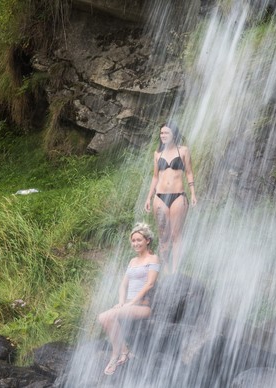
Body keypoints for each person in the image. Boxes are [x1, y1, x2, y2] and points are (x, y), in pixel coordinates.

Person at [98, 223, 160, 376]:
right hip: (129, 304)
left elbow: (150, 284)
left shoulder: (153, 259)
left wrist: (132, 302)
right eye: (133, 241)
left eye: (139, 240)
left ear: (147, 240)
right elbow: (123, 284)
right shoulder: (132, 261)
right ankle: (124, 351)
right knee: (102, 317)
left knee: (109, 315)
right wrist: (121, 302)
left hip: (144, 306)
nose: (136, 243)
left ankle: (116, 354)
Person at [145, 122, 197, 273]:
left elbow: (189, 172)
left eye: (166, 133)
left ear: (174, 134)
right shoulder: (157, 154)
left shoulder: (183, 151)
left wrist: (193, 193)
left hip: (178, 196)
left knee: (176, 234)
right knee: (163, 236)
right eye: (161, 133)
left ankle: (176, 271)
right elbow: (155, 177)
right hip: (160, 197)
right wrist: (148, 198)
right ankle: (166, 271)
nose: (163, 135)